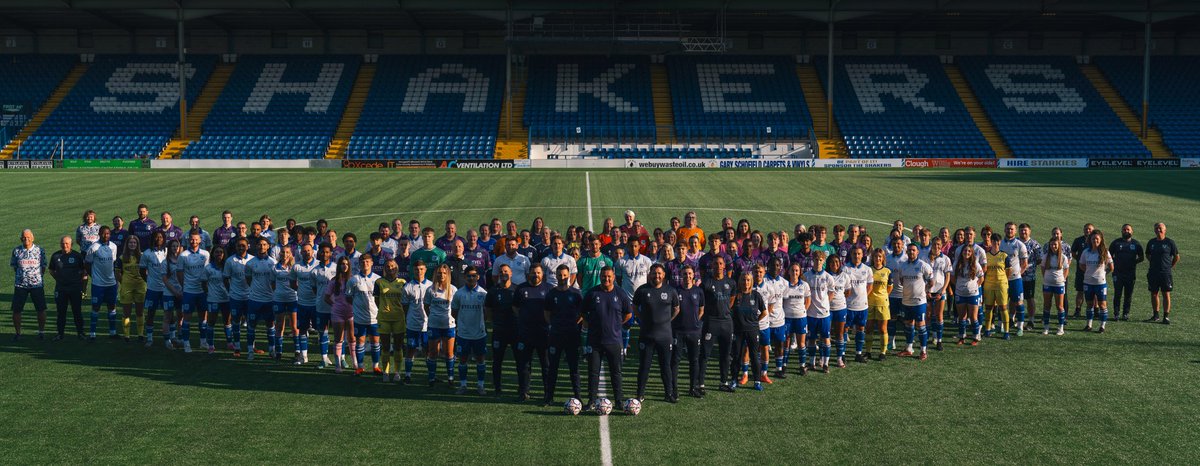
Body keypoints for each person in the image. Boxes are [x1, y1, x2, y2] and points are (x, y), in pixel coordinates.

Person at [583, 267, 633, 407]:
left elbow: (628, 313)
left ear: (613, 277)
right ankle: (591, 400)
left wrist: (617, 324)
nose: (606, 279)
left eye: (609, 276)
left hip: (614, 340)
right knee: (593, 373)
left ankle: (618, 401)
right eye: (604, 276)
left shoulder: (621, 293)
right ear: (600, 276)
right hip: (595, 341)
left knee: (616, 373)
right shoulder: (592, 293)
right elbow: (583, 312)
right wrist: (591, 323)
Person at [632, 264, 680, 403]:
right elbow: (634, 307)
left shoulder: (671, 291)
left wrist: (666, 321)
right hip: (646, 336)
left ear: (664, 275)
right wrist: (642, 319)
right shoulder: (642, 290)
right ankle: (640, 394)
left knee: (666, 366)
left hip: (665, 336)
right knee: (644, 366)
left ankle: (669, 393)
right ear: (649, 274)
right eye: (654, 273)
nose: (656, 276)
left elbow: (676, 309)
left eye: (659, 273)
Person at [544, 264, 584, 405]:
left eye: (565, 275)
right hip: (555, 335)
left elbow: (582, 314)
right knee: (552, 368)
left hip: (572, 336)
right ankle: (549, 397)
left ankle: (578, 397)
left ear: (569, 276)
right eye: (560, 275)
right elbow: (547, 314)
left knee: (574, 368)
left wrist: (573, 324)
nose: (562, 278)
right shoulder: (551, 294)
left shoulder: (575, 293)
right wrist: (555, 325)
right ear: (556, 275)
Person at [514, 265, 551, 402]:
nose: (536, 275)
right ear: (529, 274)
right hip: (525, 333)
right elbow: (515, 307)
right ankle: (523, 392)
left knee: (546, 365)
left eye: (538, 273)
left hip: (543, 333)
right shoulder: (521, 288)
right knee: (524, 365)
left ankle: (548, 393)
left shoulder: (548, 289)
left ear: (543, 274)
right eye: (533, 273)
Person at [726, 271, 767, 390]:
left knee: (754, 356)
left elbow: (764, 312)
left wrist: (754, 322)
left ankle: (757, 381)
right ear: (740, 281)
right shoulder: (736, 295)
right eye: (743, 280)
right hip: (738, 331)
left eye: (748, 280)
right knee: (737, 356)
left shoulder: (756, 295)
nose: (746, 282)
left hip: (753, 331)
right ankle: (734, 380)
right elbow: (728, 311)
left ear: (751, 281)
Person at [452, 266, 488, 395]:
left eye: (474, 275)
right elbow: (454, 312)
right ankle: (463, 385)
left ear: (478, 277)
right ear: (464, 277)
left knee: (480, 360)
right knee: (462, 360)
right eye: (469, 276)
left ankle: (480, 385)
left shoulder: (483, 294)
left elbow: (487, 314)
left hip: (479, 333)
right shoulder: (459, 293)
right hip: (463, 333)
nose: (471, 278)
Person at [895, 244, 934, 360]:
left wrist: (925, 290)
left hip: (919, 302)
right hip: (906, 301)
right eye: (909, 250)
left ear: (917, 252)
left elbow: (931, 281)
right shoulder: (903, 266)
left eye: (914, 250)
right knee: (908, 325)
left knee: (921, 326)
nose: (911, 252)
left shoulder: (923, 265)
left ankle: (923, 351)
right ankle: (909, 348)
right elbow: (902, 281)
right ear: (906, 252)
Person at [671, 265, 705, 398]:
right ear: (681, 275)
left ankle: (693, 388)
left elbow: (701, 309)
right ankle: (674, 389)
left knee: (694, 360)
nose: (687, 276)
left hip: (694, 332)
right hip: (678, 332)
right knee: (675, 361)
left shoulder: (698, 291)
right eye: (685, 274)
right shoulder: (675, 291)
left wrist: (695, 321)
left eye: (690, 274)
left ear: (693, 275)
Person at [243, 237, 278, 360]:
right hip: (254, 299)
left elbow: (275, 281)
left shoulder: (273, 263)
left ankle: (272, 349)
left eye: (264, 244)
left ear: (268, 246)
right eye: (259, 244)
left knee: (270, 325)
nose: (262, 247)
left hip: (269, 299)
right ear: (256, 246)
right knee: (251, 325)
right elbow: (248, 279)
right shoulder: (250, 263)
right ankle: (250, 351)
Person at [486, 263, 518, 394]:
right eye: (501, 272)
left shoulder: (517, 290)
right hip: (499, 330)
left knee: (520, 361)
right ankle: (497, 388)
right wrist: (495, 322)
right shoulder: (493, 291)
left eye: (506, 271)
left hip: (515, 331)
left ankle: (522, 388)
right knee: (497, 361)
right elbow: (488, 310)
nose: (503, 274)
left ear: (511, 274)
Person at [349, 255, 383, 375]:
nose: (365, 263)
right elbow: (349, 297)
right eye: (363, 261)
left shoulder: (378, 280)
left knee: (375, 342)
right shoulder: (353, 279)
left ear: (372, 263)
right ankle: (360, 367)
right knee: (360, 341)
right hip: (359, 317)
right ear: (359, 263)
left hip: (375, 317)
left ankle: (376, 366)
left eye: (367, 261)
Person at [177, 231, 210, 353]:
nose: (194, 242)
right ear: (188, 240)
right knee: (187, 318)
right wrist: (184, 285)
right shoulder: (183, 255)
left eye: (196, 239)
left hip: (202, 291)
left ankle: (203, 341)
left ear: (200, 240)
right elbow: (179, 272)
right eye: (192, 239)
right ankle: (186, 343)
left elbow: (207, 272)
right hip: (189, 291)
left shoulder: (206, 254)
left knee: (203, 317)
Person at [424, 263, 457, 384]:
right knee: (433, 352)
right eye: (439, 273)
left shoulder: (453, 289)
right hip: (434, 325)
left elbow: (456, 308)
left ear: (448, 274)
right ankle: (432, 378)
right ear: (435, 274)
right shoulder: (430, 290)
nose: (441, 275)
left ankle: (450, 377)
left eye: (444, 273)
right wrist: (433, 317)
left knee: (449, 353)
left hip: (449, 325)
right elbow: (426, 306)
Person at [85, 226, 119, 340]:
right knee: (95, 307)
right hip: (98, 284)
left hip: (111, 283)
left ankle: (113, 332)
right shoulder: (93, 247)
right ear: (99, 234)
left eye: (108, 233)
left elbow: (113, 263)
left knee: (112, 306)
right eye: (104, 233)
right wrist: (94, 276)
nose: (106, 235)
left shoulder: (114, 247)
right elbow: (88, 264)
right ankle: (92, 333)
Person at [400, 261, 432, 383]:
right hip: (412, 323)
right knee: (410, 349)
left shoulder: (431, 286)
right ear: (413, 271)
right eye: (417, 269)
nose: (419, 272)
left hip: (427, 324)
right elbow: (405, 307)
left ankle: (431, 375)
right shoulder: (407, 287)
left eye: (421, 269)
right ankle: (408, 375)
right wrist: (409, 318)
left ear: (425, 270)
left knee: (427, 350)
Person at [374, 259, 406, 379]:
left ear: (396, 268)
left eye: (392, 266)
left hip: (399, 317)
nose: (390, 268)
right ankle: (386, 372)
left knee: (398, 346)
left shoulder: (403, 282)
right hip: (384, 318)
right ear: (384, 269)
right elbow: (377, 300)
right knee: (386, 346)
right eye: (387, 266)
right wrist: (384, 309)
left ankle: (397, 372)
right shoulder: (378, 282)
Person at [804, 251, 836, 373]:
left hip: (824, 314)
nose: (818, 262)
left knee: (825, 338)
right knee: (811, 339)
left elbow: (831, 293)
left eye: (820, 260)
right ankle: (812, 362)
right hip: (811, 313)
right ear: (813, 260)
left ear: (824, 261)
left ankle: (825, 364)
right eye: (816, 259)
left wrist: (825, 303)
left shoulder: (828, 277)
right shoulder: (806, 276)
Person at [49, 235, 85, 341]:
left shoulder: (77, 256)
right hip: (61, 289)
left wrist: (80, 283)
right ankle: (60, 334)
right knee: (61, 312)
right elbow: (51, 270)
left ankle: (80, 333)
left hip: (75, 288)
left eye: (67, 244)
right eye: (63, 243)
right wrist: (59, 279)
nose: (65, 245)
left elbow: (83, 271)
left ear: (71, 244)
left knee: (77, 311)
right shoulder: (55, 256)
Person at [291, 243, 320, 364]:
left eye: (309, 250)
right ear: (300, 253)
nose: (306, 252)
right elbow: (292, 283)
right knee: (302, 330)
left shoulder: (319, 265)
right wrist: (302, 292)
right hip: (302, 303)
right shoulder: (296, 266)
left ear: (313, 252)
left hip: (317, 303)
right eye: (304, 251)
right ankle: (304, 356)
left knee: (322, 330)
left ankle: (324, 357)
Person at [1080, 231, 1114, 333]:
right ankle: (1089, 325)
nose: (1095, 241)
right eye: (1093, 239)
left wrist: (1103, 274)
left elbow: (1111, 267)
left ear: (1101, 240)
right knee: (1089, 304)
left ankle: (1102, 326)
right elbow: (1081, 265)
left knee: (1102, 305)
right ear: (1090, 240)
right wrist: (1088, 272)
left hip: (1100, 284)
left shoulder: (1105, 252)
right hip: (1088, 282)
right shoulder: (1086, 252)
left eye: (1097, 239)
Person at [999, 222, 1030, 336]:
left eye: (1012, 229)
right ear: (1004, 230)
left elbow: (1024, 263)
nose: (1009, 231)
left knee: (1019, 302)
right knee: (1002, 303)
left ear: (1015, 231)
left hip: (1015, 279)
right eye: (1007, 229)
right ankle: (1001, 324)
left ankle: (1020, 327)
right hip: (1002, 279)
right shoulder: (1000, 244)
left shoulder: (1020, 245)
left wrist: (1018, 274)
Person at [1109, 224, 1144, 321]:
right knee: (1117, 294)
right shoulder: (1116, 243)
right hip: (1118, 273)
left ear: (1132, 231)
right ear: (1121, 231)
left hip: (1130, 273)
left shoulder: (1136, 244)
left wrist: (1133, 262)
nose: (1126, 231)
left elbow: (1141, 257)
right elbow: (1109, 256)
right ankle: (1116, 313)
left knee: (1128, 295)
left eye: (1128, 229)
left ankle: (1125, 313)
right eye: (1124, 229)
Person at [1145, 223, 1179, 324]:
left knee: (1166, 293)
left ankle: (1166, 316)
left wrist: (1169, 266)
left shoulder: (1170, 242)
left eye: (1160, 228)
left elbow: (1176, 257)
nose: (1158, 230)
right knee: (1154, 293)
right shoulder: (1151, 242)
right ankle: (1155, 315)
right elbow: (1147, 254)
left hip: (1165, 273)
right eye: (1156, 228)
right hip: (1153, 272)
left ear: (1165, 230)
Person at [781, 262, 812, 374]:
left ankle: (802, 365)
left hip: (800, 318)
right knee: (786, 343)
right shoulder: (784, 285)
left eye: (797, 270)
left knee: (801, 343)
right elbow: (782, 301)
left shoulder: (804, 285)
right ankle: (784, 365)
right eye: (792, 270)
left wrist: (803, 311)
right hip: (787, 318)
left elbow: (808, 301)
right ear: (788, 272)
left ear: (800, 272)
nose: (794, 272)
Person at [843, 247, 873, 362]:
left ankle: (858, 353)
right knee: (845, 329)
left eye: (859, 254)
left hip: (862, 306)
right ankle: (843, 353)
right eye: (854, 254)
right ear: (851, 254)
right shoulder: (845, 268)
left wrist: (864, 296)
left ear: (862, 255)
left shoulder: (867, 269)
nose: (857, 256)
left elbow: (869, 285)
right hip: (849, 306)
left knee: (861, 328)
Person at [325, 257, 354, 373]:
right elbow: (326, 297)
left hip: (351, 312)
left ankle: (355, 363)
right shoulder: (334, 281)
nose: (344, 266)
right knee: (338, 338)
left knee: (352, 338)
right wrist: (335, 305)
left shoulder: (353, 280)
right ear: (339, 266)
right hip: (338, 313)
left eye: (346, 264)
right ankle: (338, 364)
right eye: (342, 264)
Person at [952, 243, 985, 345]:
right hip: (960, 294)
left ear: (972, 253)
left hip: (972, 294)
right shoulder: (957, 263)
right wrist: (958, 286)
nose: (967, 253)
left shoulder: (975, 264)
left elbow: (981, 277)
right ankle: (962, 337)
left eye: (969, 251)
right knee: (962, 317)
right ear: (962, 252)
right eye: (965, 251)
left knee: (973, 317)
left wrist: (974, 286)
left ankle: (975, 337)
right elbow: (952, 277)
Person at [311, 244, 338, 367]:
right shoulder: (314, 271)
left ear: (331, 253)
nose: (325, 254)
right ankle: (324, 358)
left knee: (339, 333)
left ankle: (341, 358)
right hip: (321, 306)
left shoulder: (337, 268)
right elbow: (315, 289)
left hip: (336, 306)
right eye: (322, 252)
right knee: (323, 333)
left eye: (327, 252)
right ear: (319, 253)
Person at [116, 235, 146, 342]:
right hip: (126, 287)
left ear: (137, 244)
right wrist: (123, 282)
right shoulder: (121, 257)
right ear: (127, 244)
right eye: (130, 243)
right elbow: (117, 273)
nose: (132, 244)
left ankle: (140, 334)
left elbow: (147, 271)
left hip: (140, 286)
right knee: (126, 312)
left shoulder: (142, 256)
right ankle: (127, 335)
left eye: (134, 243)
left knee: (139, 312)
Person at [924, 238, 953, 351]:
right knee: (928, 316)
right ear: (931, 245)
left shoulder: (945, 259)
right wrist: (926, 291)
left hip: (940, 292)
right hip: (928, 292)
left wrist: (943, 291)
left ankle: (939, 341)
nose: (936, 246)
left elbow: (948, 277)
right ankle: (926, 339)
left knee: (939, 316)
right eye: (935, 244)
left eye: (939, 244)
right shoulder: (925, 257)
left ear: (941, 246)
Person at [982, 233, 1012, 340]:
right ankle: (987, 329)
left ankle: (1006, 331)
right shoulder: (986, 255)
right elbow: (983, 271)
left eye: (997, 241)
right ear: (991, 242)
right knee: (989, 307)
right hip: (989, 284)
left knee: (1003, 307)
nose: (995, 243)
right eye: (993, 241)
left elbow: (1008, 271)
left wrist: (1003, 281)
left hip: (1001, 285)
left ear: (999, 242)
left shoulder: (1004, 256)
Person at [270, 247, 298, 360]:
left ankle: (297, 351)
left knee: (294, 326)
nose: (285, 254)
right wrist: (278, 293)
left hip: (292, 298)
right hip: (279, 299)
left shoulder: (294, 267)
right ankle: (279, 352)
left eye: (287, 252)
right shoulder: (274, 268)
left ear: (291, 254)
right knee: (279, 325)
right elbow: (272, 283)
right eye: (283, 252)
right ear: (279, 253)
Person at [866, 248, 893, 360]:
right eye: (876, 256)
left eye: (880, 257)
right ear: (872, 257)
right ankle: (868, 351)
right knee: (869, 328)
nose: (878, 258)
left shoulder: (887, 271)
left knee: (883, 329)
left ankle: (883, 352)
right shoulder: (868, 270)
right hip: (869, 303)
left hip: (883, 303)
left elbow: (890, 288)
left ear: (883, 258)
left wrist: (882, 296)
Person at [824, 256, 850, 367]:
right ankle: (824, 358)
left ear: (839, 263)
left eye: (836, 262)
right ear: (828, 264)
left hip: (840, 308)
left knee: (840, 333)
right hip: (827, 309)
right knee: (825, 335)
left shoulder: (844, 276)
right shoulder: (825, 276)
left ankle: (839, 358)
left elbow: (847, 292)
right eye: (832, 262)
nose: (834, 264)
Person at [203, 247, 230, 354]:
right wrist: (208, 293)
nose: (219, 254)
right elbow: (203, 282)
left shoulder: (227, 267)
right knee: (211, 322)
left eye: (221, 252)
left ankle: (229, 342)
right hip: (213, 299)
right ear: (213, 254)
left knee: (227, 321)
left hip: (226, 298)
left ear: (224, 254)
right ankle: (211, 345)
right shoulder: (208, 268)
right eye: (216, 252)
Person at [1040, 238, 1070, 335]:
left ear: (1059, 246)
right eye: (1051, 245)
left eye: (1055, 245)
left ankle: (1061, 328)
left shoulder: (1063, 257)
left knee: (1060, 306)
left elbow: (1066, 270)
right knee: (1047, 305)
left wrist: (1062, 279)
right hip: (1048, 284)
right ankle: (1046, 327)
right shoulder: (1045, 256)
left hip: (1059, 284)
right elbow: (1042, 268)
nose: (1053, 246)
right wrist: (1046, 278)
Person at [160, 240, 185, 351]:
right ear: (169, 248)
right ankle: (167, 341)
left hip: (181, 292)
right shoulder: (165, 263)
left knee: (180, 316)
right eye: (173, 246)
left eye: (177, 246)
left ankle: (179, 338)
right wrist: (175, 291)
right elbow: (165, 280)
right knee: (167, 316)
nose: (175, 248)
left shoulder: (182, 261)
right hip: (169, 293)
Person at [1018, 224, 1042, 331]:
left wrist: (1029, 267)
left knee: (1029, 298)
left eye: (1025, 231)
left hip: (1029, 276)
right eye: (1022, 231)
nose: (1023, 232)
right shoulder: (1015, 242)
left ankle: (1031, 320)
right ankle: (1014, 319)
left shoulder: (1034, 244)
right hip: (1015, 276)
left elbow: (1040, 259)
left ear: (1030, 231)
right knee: (1015, 298)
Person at [1071, 224, 1096, 318]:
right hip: (1081, 270)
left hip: (1093, 271)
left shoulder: (1097, 240)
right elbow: (1073, 252)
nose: (1087, 231)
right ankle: (1077, 310)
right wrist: (1079, 260)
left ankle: (1095, 310)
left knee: (1095, 291)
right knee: (1080, 290)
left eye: (1090, 229)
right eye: (1086, 229)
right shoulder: (1078, 240)